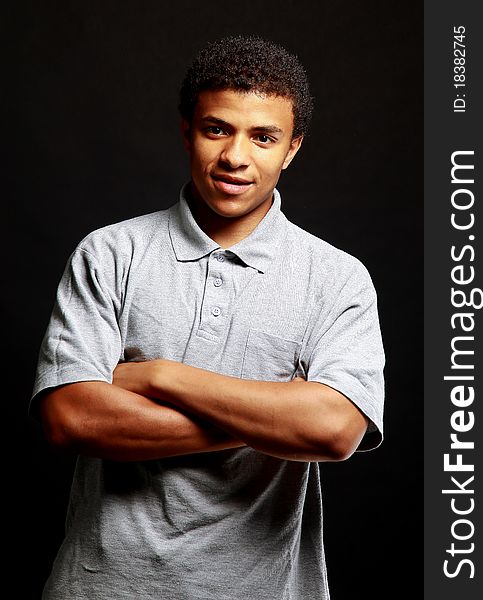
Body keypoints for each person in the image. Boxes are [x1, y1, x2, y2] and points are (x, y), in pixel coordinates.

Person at [32, 35, 385, 600]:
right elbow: (71, 418)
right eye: (217, 129)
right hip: (102, 589)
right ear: (187, 129)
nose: (236, 158)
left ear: (292, 148)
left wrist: (161, 377)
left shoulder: (337, 277)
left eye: (263, 137)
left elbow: (335, 429)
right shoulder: (109, 253)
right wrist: (274, 414)